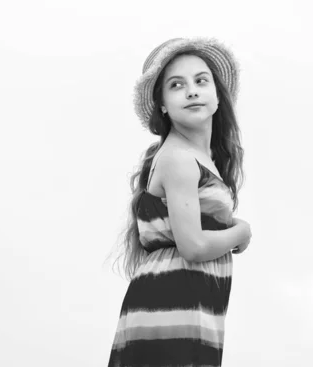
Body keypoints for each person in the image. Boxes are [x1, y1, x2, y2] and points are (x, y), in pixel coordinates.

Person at [107, 37, 252, 367]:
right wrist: (242, 232)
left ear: (217, 96)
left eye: (201, 81)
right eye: (177, 85)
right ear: (162, 104)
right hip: (171, 315)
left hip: (192, 312)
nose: (192, 91)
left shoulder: (202, 159)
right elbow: (195, 246)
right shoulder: (179, 160)